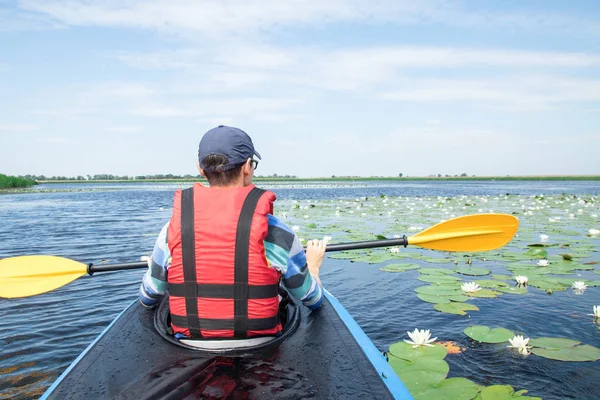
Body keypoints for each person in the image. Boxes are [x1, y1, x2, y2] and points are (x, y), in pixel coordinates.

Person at [139, 125, 326, 339]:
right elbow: (312, 299)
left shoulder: (171, 230)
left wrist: (154, 269)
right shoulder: (275, 231)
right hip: (261, 350)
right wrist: (313, 268)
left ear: (200, 169)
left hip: (190, 348)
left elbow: (148, 297)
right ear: (248, 167)